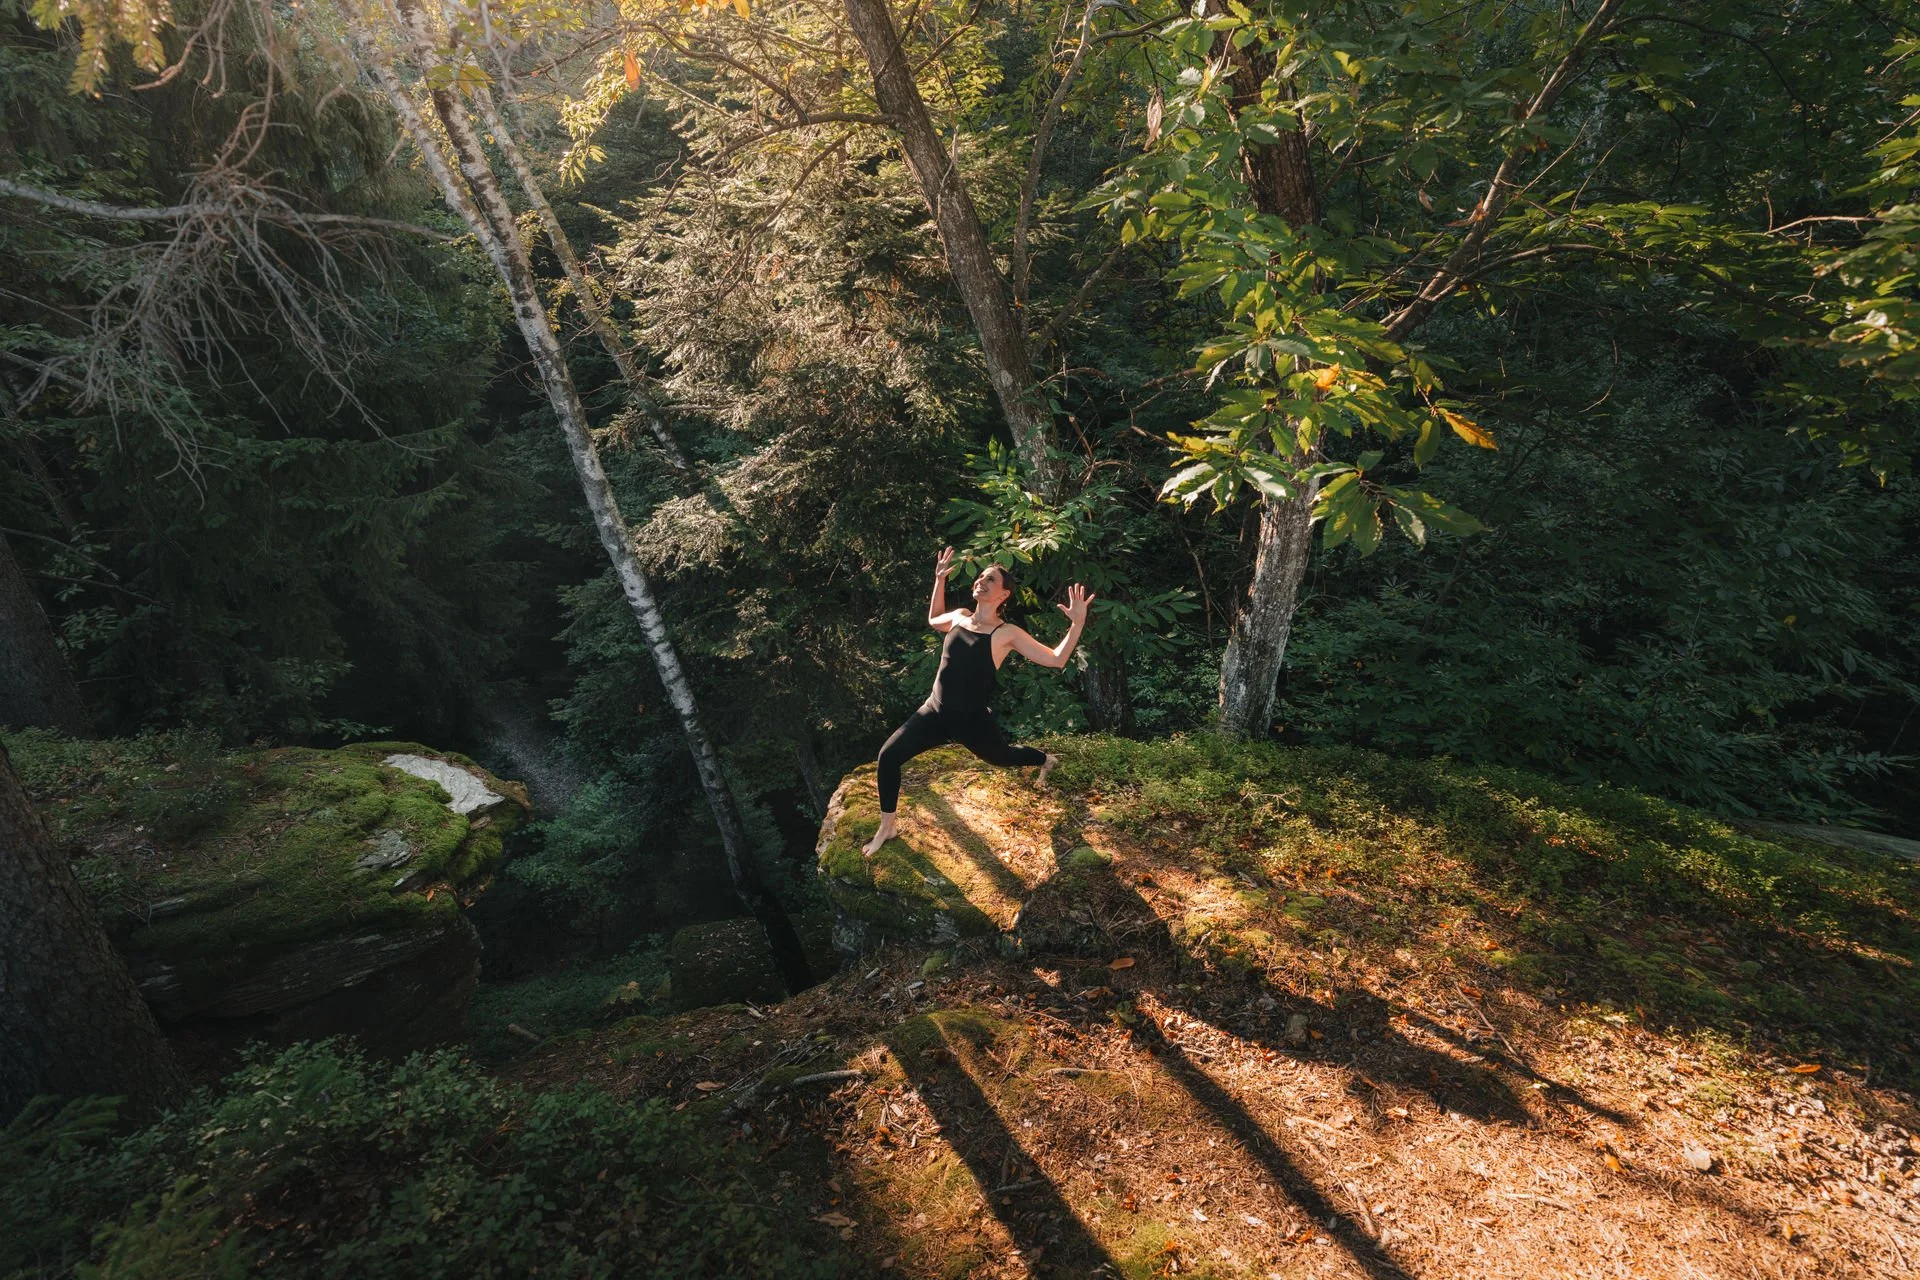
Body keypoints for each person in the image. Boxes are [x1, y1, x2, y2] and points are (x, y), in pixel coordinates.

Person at [862, 546, 1095, 858]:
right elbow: (933, 619)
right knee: (888, 756)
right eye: (981, 576)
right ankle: (887, 826)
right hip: (934, 711)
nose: (981, 581)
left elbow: (1056, 659)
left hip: (972, 721)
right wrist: (939, 579)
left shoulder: (1006, 633)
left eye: (991, 579)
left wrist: (1076, 624)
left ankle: (1044, 760)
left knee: (1003, 757)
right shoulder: (959, 618)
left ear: (1003, 595)